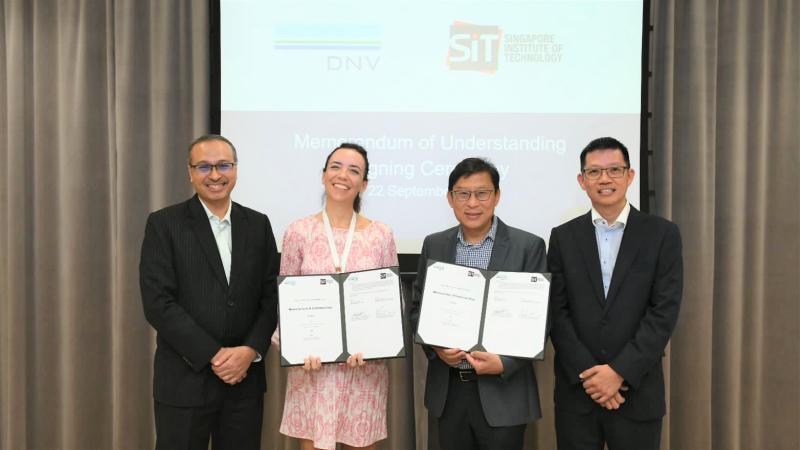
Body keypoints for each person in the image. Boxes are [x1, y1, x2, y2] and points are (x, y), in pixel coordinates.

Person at [139, 134, 279, 450]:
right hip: (184, 381)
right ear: (190, 173)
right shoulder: (164, 223)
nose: (215, 175)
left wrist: (249, 351)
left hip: (244, 382)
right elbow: (158, 302)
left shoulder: (258, 224)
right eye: (204, 167)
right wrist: (214, 355)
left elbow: (271, 296)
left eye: (223, 165)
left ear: (236, 169)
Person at [547, 137, 683, 450]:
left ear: (630, 175)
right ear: (582, 180)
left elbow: (664, 312)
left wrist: (619, 373)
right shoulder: (563, 237)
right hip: (578, 394)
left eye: (614, 170)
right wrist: (593, 378)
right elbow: (557, 312)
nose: (604, 179)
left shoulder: (662, 234)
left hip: (637, 391)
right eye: (594, 172)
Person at [410, 157, 547, 450]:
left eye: (482, 193)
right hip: (449, 392)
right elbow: (418, 309)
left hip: (504, 394)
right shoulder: (435, 244)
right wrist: (437, 348)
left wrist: (505, 363)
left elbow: (540, 320)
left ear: (497, 196)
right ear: (450, 198)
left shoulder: (528, 246)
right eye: (463, 194)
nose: (472, 203)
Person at [273, 143, 398, 450]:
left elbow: (391, 300)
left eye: (354, 171)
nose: (343, 175)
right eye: (336, 167)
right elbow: (284, 300)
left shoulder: (381, 234)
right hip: (313, 368)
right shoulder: (298, 232)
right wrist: (298, 348)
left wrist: (376, 346)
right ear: (323, 175)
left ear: (364, 184)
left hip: (364, 366)